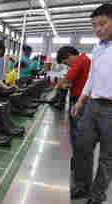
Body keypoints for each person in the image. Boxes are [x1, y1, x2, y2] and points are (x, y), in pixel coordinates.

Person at [71, 4, 112, 204]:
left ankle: (97, 196)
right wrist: (80, 101)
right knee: (82, 146)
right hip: (92, 105)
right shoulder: (97, 47)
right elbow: (91, 78)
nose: (98, 29)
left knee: (107, 156)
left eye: (102, 24)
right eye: (94, 25)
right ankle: (82, 186)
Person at [56, 46, 91, 191]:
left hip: (81, 103)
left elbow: (67, 78)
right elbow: (71, 80)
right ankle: (77, 163)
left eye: (66, 62)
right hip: (80, 100)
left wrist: (58, 87)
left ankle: (81, 180)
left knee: (79, 137)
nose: (67, 65)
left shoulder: (81, 60)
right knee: (77, 136)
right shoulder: (85, 60)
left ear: (70, 56)